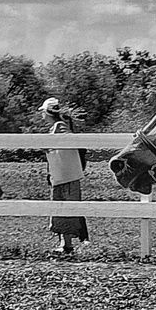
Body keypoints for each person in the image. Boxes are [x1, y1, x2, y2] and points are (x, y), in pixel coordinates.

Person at [39, 97, 89, 255]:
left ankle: (67, 243)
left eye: (43, 112)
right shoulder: (57, 126)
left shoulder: (59, 126)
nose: (42, 115)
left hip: (66, 175)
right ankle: (65, 243)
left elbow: (68, 141)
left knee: (65, 208)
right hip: (61, 175)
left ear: (48, 112)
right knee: (61, 208)